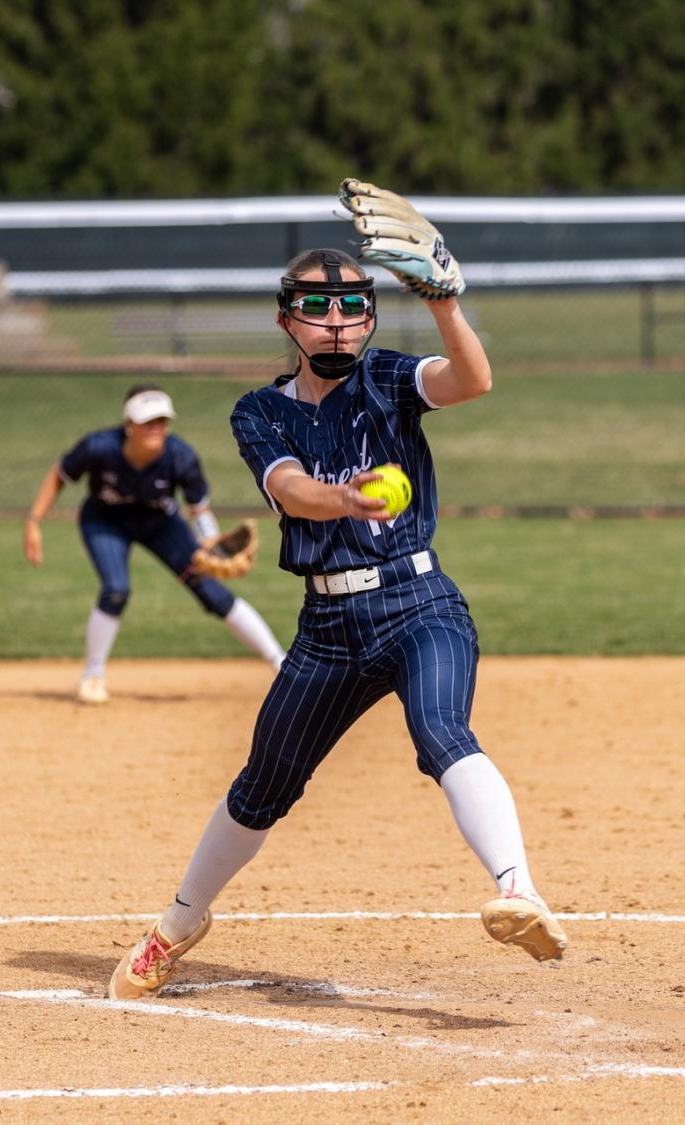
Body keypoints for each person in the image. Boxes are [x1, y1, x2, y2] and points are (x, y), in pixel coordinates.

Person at [108, 233, 566, 1000]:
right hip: (328, 630)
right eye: (319, 310)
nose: (339, 324)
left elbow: (473, 380)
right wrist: (344, 498)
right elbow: (288, 489)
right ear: (288, 322)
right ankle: (178, 925)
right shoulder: (260, 411)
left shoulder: (390, 379)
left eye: (354, 308)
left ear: (371, 321)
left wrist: (444, 302)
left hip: (420, 603)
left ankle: (518, 891)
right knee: (264, 785)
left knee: (444, 733)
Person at [23, 383, 287, 703]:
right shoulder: (99, 447)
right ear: (129, 425)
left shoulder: (180, 456)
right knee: (116, 588)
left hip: (159, 522)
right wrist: (34, 521)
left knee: (211, 592)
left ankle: (282, 665)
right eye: (148, 421)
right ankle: (92, 676)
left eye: (161, 421)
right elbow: (59, 476)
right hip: (104, 520)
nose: (156, 429)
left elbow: (198, 507)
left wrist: (208, 542)